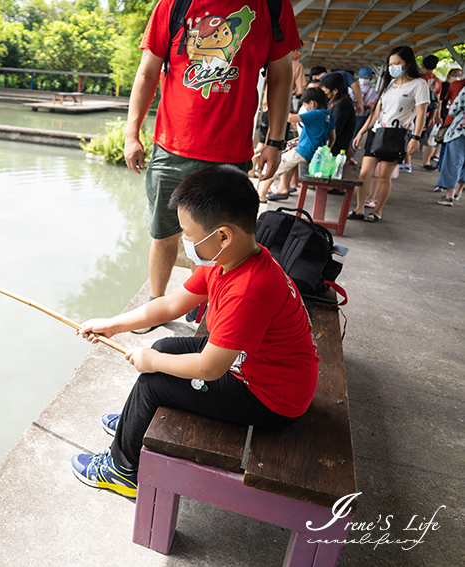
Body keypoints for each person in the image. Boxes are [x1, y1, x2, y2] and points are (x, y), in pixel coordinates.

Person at [70, 165, 319, 497]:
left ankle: (122, 470)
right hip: (258, 368)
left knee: (153, 380)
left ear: (222, 235)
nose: (185, 241)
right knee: (164, 346)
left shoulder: (249, 289)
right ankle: (136, 421)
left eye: (189, 234)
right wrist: (113, 324)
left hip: (272, 399)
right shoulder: (227, 261)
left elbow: (209, 368)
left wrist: (152, 362)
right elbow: (172, 305)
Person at [123, 0, 300, 331]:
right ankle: (157, 303)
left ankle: (207, 307)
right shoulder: (174, 5)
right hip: (172, 146)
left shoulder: (273, 6)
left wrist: (275, 141)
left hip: (230, 153)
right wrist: (132, 133)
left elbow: (280, 75)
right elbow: (147, 70)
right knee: (163, 234)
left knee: (221, 244)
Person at [350, 46, 430, 223]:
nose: (392, 67)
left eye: (397, 63)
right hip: (376, 132)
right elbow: (376, 114)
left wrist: (416, 138)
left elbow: (421, 113)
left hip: (397, 134)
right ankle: (359, 208)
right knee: (364, 174)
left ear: (407, 64)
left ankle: (377, 211)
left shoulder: (419, 84)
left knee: (385, 176)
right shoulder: (389, 85)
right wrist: (361, 132)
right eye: (390, 64)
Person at [259, 88, 335, 201]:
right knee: (286, 162)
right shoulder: (329, 115)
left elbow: (290, 118)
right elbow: (333, 138)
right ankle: (281, 188)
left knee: (274, 166)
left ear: (312, 103)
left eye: (306, 105)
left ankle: (261, 195)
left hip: (303, 151)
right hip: (315, 153)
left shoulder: (315, 113)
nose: (306, 108)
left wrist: (277, 106)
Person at [434, 85, 465, 206]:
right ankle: (459, 191)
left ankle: (449, 196)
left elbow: (454, 109)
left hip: (460, 131)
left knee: (453, 162)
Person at [320, 72, 356, 161]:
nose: (324, 96)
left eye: (326, 93)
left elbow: (334, 130)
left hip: (335, 150)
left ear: (335, 91)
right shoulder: (337, 102)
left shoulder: (342, 105)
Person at [417, 55, 442, 171]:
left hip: (416, 111)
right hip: (429, 112)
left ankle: (405, 161)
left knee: (410, 134)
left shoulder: (418, 78)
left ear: (422, 66)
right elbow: (438, 101)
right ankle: (425, 162)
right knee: (430, 138)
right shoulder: (438, 82)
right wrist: (436, 116)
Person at [352, 67, 379, 143]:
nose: (363, 79)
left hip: (360, 116)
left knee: (354, 137)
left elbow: (371, 105)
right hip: (349, 114)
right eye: (361, 77)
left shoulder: (371, 90)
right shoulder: (352, 87)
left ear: (370, 78)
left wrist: (359, 106)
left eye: (366, 77)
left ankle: (351, 154)